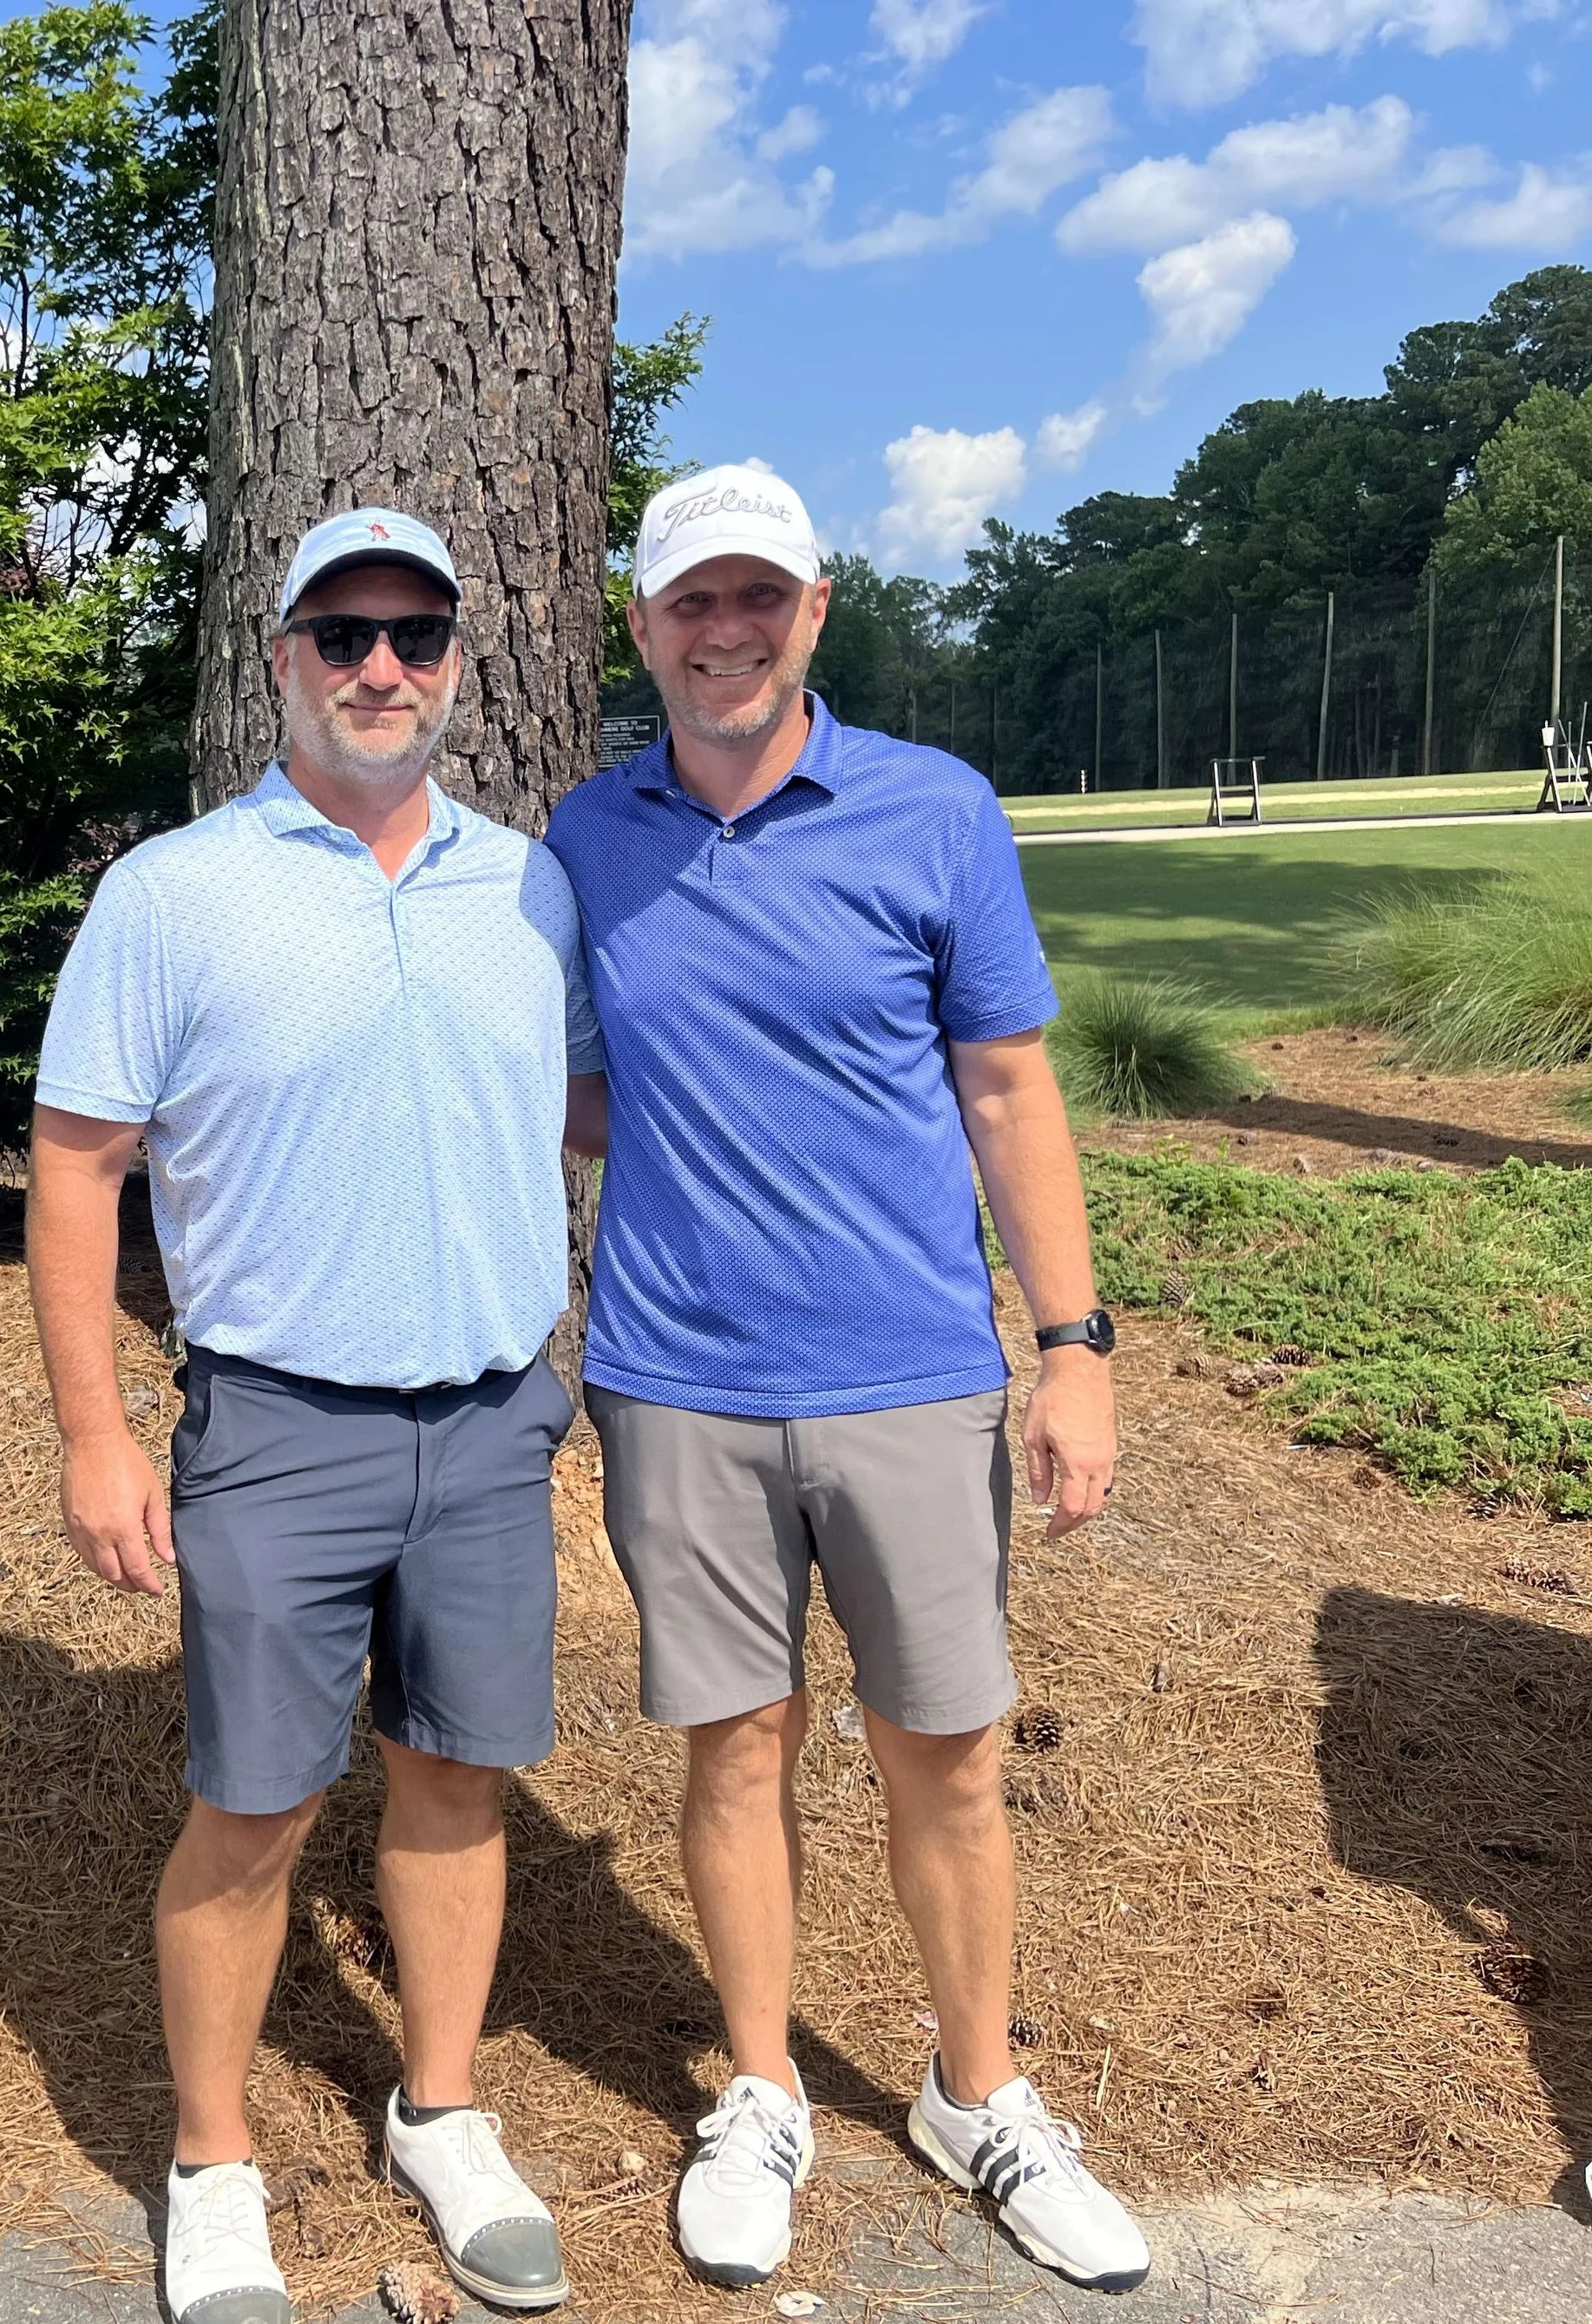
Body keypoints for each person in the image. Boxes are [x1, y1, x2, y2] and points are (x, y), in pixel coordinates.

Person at [544, 465, 1152, 2295]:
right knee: (734, 1745)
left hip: (905, 1374)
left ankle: (980, 2096)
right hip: (673, 1380)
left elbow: (1003, 1088)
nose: (720, 631)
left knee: (944, 1756)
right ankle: (755, 2085)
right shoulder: (586, 834)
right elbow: (573, 1093)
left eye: (756, 597)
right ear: (640, 628)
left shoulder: (930, 809)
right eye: (686, 603)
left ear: (813, 610)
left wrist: (1072, 1345)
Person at [28, 507, 604, 2324]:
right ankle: (213, 2163)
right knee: (254, 1804)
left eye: (414, 636)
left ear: (456, 665)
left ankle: (438, 2107)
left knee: (455, 1777)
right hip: (276, 1426)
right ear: (276, 659)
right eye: (340, 634)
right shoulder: (173, 893)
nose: (379, 667)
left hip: (495, 1418)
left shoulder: (528, 884)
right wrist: (93, 1433)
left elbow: (588, 1110)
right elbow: (72, 1162)